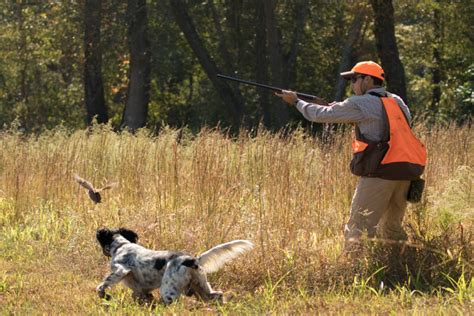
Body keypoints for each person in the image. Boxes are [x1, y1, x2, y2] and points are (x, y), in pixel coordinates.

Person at [276, 61, 426, 249]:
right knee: (392, 229)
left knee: (358, 229)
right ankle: (398, 268)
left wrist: (296, 101)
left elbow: (319, 115)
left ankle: (354, 273)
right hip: (406, 173)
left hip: (380, 174)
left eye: (355, 79)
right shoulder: (397, 101)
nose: (352, 84)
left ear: (368, 80)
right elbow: (385, 127)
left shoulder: (359, 102)